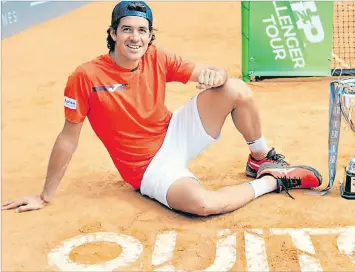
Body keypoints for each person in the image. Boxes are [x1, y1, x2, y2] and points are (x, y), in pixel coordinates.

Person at [2, 1, 322, 216]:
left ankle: (261, 159)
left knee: (236, 88)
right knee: (201, 204)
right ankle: (272, 181)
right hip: (147, 168)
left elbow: (213, 74)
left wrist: (216, 76)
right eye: (127, 29)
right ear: (113, 34)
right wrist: (45, 195)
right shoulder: (86, 77)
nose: (135, 37)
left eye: (142, 31)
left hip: (174, 133)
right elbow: (69, 137)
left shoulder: (158, 56)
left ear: (149, 37)